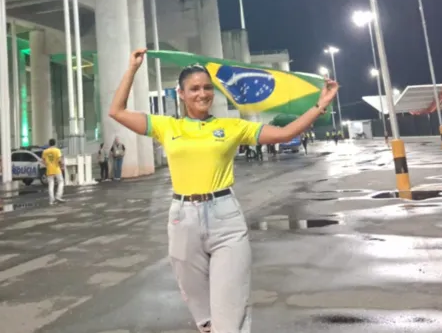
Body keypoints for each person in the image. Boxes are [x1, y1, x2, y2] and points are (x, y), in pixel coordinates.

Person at [108, 48, 339, 333]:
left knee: (230, 314)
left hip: (225, 218)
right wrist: (132, 68)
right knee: (202, 311)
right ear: (181, 94)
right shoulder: (166, 126)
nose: (202, 94)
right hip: (182, 219)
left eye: (207, 88)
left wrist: (320, 105)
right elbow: (116, 111)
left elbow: (285, 134)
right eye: (194, 89)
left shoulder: (231, 127)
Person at [42, 138, 65, 204]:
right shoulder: (57, 150)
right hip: (57, 169)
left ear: (49, 144)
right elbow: (60, 160)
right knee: (61, 182)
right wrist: (62, 166)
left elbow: (43, 161)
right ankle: (58, 195)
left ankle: (51, 200)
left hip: (49, 170)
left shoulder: (45, 151)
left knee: (50, 185)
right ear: (55, 143)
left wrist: (47, 165)